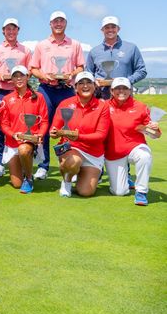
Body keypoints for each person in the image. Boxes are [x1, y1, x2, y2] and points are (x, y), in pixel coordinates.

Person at [29, 11, 85, 181]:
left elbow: (81, 67)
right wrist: (44, 76)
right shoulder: (42, 45)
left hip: (67, 89)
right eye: (55, 21)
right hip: (46, 88)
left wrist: (71, 74)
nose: (58, 24)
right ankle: (43, 165)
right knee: (43, 127)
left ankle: (69, 163)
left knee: (68, 127)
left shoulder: (74, 44)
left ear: (65, 23)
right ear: (50, 24)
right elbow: (33, 68)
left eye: (61, 21)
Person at [50, 71, 110, 198]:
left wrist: (79, 136)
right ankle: (66, 182)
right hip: (71, 148)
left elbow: (101, 135)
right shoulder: (65, 103)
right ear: (75, 87)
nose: (85, 86)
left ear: (95, 86)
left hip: (93, 152)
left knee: (85, 192)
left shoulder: (102, 106)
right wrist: (54, 133)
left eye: (89, 82)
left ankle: (81, 173)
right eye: (81, 83)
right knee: (73, 161)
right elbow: (55, 127)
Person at [104, 77, 159, 206]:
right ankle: (126, 179)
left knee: (144, 156)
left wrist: (153, 129)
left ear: (130, 90)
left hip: (135, 147)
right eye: (117, 88)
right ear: (111, 91)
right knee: (119, 192)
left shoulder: (141, 107)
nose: (121, 91)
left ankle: (141, 192)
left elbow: (155, 135)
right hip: (113, 152)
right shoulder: (104, 106)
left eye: (125, 88)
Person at [0, 18, 32, 178]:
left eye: (14, 29)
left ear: (18, 30)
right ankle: (0, 163)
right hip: (0, 92)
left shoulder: (25, 50)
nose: (11, 32)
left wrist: (17, 77)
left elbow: (30, 71)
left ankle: (22, 159)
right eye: (8, 29)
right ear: (3, 31)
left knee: (20, 125)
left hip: (19, 93)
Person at [0, 66, 48, 194]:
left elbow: (44, 121)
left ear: (28, 77)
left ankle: (29, 178)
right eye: (15, 76)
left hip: (30, 142)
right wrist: (13, 134)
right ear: (12, 79)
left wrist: (39, 135)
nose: (19, 78)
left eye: (22, 75)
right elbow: (4, 124)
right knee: (16, 184)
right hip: (13, 142)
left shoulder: (39, 97)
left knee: (24, 150)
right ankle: (23, 167)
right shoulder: (7, 99)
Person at [85, 16, 146, 99]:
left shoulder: (131, 48)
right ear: (102, 30)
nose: (110, 30)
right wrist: (94, 82)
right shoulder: (94, 51)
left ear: (118, 29)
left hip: (124, 97)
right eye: (107, 27)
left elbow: (141, 71)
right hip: (101, 98)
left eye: (113, 27)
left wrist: (125, 81)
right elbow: (88, 74)